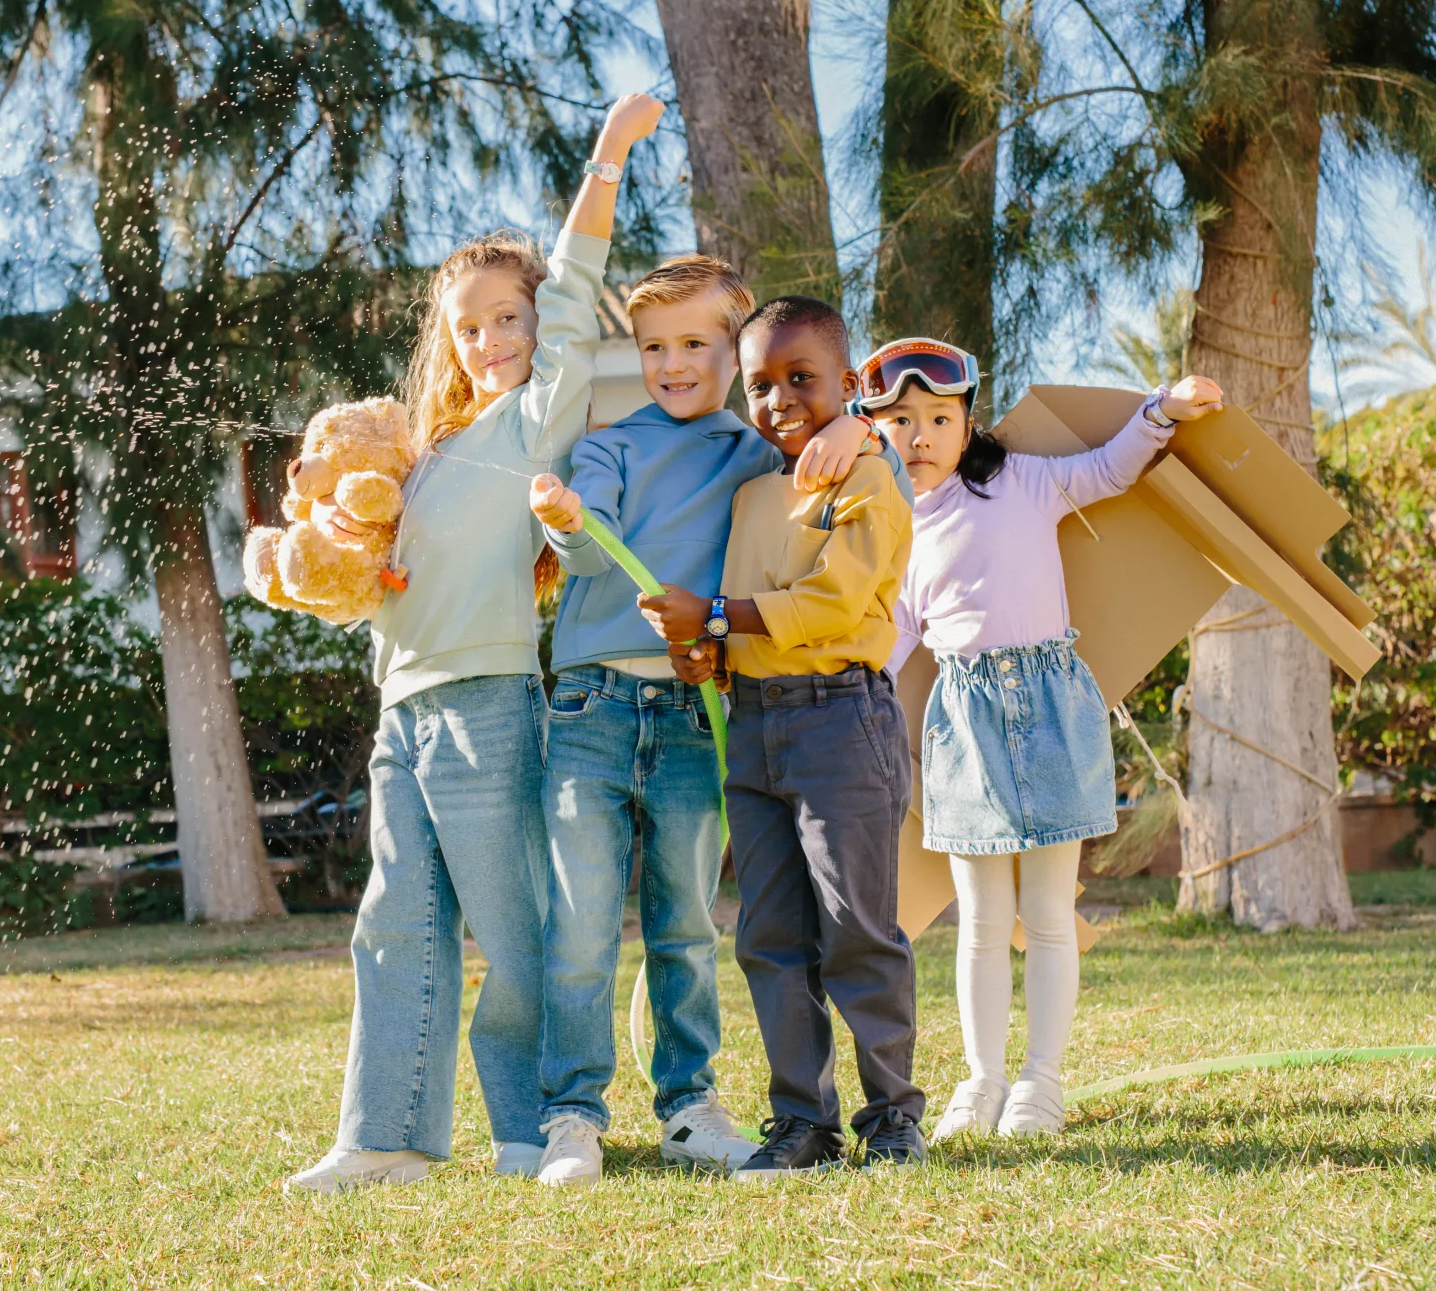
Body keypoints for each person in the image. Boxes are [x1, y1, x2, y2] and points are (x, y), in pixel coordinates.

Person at [286, 92, 665, 1195]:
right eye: (469, 325)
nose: (490, 338)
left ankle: (538, 1126)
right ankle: (387, 1136)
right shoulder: (431, 446)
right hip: (400, 705)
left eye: (509, 316)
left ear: (540, 324)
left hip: (488, 705)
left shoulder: (536, 413)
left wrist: (604, 158)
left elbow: (579, 277)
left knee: (511, 926)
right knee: (392, 924)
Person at [523, 257, 891, 1188]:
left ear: (733, 352)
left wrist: (857, 426)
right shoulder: (610, 443)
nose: (673, 363)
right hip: (594, 705)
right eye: (654, 347)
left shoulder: (759, 453)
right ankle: (572, 1116)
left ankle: (688, 1106)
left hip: (698, 710)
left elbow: (832, 472)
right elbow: (586, 536)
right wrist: (566, 517)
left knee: (687, 921)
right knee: (582, 923)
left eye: (696, 344)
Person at [861, 336, 1221, 1141]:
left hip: (1053, 709)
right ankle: (982, 1080)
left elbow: (1104, 469)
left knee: (1048, 910)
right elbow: (887, 645)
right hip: (963, 726)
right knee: (984, 919)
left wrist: (1161, 408)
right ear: (873, 427)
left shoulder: (1021, 481)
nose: (919, 436)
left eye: (939, 419)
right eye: (901, 419)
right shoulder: (892, 535)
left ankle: (1041, 1082)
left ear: (967, 424)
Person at [646, 296, 924, 1178]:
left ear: (848, 385)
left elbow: (836, 603)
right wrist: (708, 657)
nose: (778, 399)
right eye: (761, 384)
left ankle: (892, 1120)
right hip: (757, 730)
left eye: (801, 380)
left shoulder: (866, 477)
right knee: (769, 935)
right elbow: (735, 627)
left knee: (856, 929)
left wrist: (719, 616)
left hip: (843, 720)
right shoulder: (752, 494)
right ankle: (803, 1123)